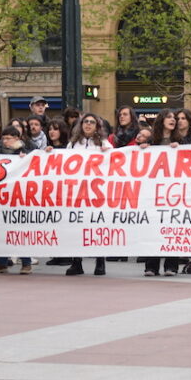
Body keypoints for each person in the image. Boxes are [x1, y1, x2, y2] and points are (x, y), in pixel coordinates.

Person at [65, 113, 112, 276]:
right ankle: (76, 262)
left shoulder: (104, 143)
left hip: (97, 192)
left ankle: (100, 262)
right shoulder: (72, 144)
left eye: (92, 122)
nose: (88, 124)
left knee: (97, 227)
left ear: (97, 126)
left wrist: (108, 153)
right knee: (76, 226)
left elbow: (114, 163)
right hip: (77, 191)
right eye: (86, 122)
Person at [0, 126, 33, 274]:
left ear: (17, 138)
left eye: (8, 138)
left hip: (19, 196)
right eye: (4, 138)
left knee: (19, 231)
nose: (5, 141)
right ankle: (2, 262)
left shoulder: (25, 151)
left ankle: (26, 263)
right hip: (3, 195)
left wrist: (22, 156)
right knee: (2, 230)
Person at [144, 109, 182, 276]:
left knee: (173, 228)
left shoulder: (181, 140)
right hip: (154, 191)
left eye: (174, 118)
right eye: (169, 117)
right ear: (161, 120)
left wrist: (180, 149)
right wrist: (142, 149)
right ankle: (151, 266)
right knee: (153, 228)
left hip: (175, 191)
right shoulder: (152, 140)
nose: (172, 120)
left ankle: (171, 266)